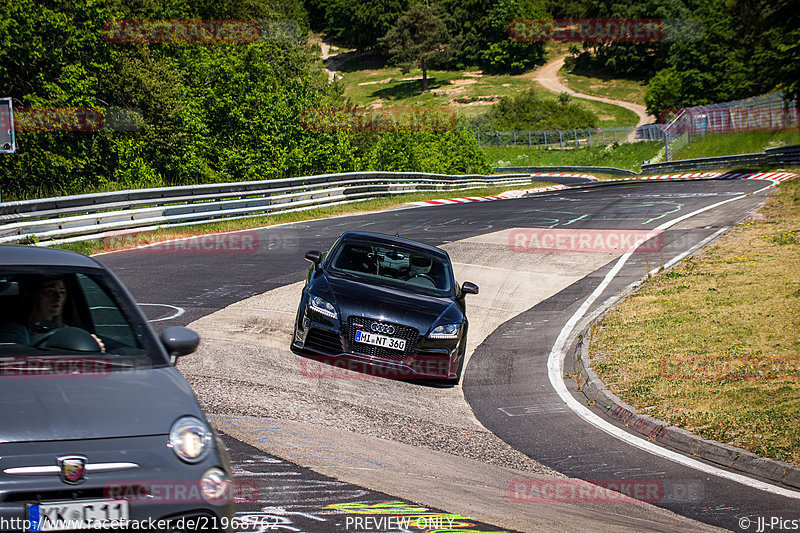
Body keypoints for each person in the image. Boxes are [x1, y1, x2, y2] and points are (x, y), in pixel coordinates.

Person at [0, 276, 104, 351]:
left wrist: (93, 347)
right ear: (34, 295)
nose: (58, 297)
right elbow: (17, 361)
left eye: (62, 292)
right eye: (50, 291)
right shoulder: (14, 330)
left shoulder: (67, 331)